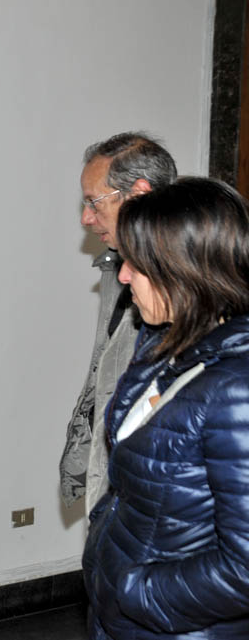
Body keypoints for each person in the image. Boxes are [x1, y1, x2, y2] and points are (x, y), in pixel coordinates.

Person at [83, 177, 249, 639]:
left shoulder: (237, 389)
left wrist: (134, 591)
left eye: (135, 263)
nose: (122, 276)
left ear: (183, 270)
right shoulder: (167, 349)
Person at [60, 132, 176, 515]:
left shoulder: (185, 289)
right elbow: (105, 379)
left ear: (139, 194)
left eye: (94, 202)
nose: (86, 218)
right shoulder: (116, 270)